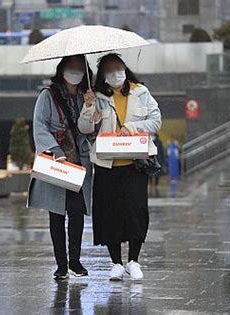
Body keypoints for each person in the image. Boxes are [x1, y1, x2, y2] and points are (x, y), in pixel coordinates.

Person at [78, 53, 162, 281]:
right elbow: (85, 128)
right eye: (109, 69)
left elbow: (156, 121)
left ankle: (134, 260)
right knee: (109, 212)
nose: (115, 72)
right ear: (103, 75)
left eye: (118, 67)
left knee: (136, 211)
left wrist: (132, 127)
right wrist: (87, 108)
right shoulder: (96, 97)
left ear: (125, 68)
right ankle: (115, 263)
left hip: (135, 164)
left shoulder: (141, 92)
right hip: (107, 165)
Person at [27, 55, 95, 280]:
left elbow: (90, 130)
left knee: (77, 214)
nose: (75, 71)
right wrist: (55, 151)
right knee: (56, 214)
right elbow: (40, 126)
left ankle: (75, 261)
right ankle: (61, 264)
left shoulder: (88, 97)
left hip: (79, 162)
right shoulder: (48, 95)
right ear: (62, 69)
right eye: (71, 67)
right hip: (57, 163)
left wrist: (88, 107)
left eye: (79, 67)